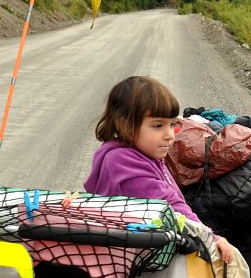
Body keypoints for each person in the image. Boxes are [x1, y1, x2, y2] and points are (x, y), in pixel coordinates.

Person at [84, 75, 236, 263]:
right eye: (158, 126)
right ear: (124, 125)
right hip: (133, 259)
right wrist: (210, 237)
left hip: (141, 245)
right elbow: (169, 207)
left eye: (171, 124)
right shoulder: (123, 162)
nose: (169, 135)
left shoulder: (139, 152)